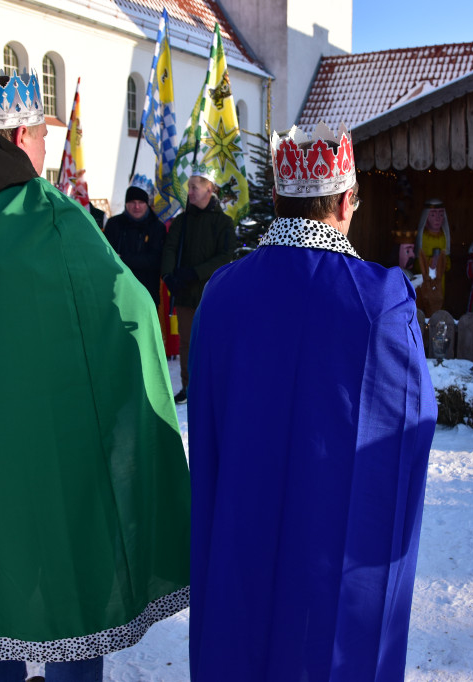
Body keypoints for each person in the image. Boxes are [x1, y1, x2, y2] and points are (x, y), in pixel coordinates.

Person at [0, 70, 191, 680]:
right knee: (70, 596)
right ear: (19, 138)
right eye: (41, 135)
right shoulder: (49, 217)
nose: (45, 149)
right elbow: (134, 310)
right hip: (49, 451)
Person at [187, 122, 437, 681]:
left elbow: (205, 419)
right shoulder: (381, 299)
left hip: (240, 521)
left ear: (276, 199)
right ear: (348, 202)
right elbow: (411, 424)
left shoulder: (222, 292)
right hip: (330, 544)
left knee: (239, 640)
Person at [160, 164, 235, 404]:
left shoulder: (223, 223)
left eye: (194, 187)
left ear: (209, 188)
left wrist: (196, 272)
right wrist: (168, 275)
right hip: (185, 292)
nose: (189, 192)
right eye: (189, 187)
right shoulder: (182, 221)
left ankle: (213, 388)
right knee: (186, 342)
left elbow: (226, 257)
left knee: (212, 340)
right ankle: (189, 387)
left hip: (212, 292)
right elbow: (170, 248)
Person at [103, 176, 165, 305]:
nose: (136, 207)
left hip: (146, 293)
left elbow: (155, 260)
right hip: (117, 293)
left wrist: (123, 259)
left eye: (141, 202)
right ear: (126, 203)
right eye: (132, 202)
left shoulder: (157, 227)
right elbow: (105, 256)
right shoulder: (114, 224)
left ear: (147, 204)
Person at [415, 198, 451, 293]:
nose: (437, 218)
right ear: (426, 217)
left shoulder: (443, 236)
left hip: (440, 279)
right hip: (425, 280)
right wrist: (430, 263)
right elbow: (417, 262)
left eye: (440, 214)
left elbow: (447, 259)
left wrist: (444, 262)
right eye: (433, 214)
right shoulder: (423, 237)